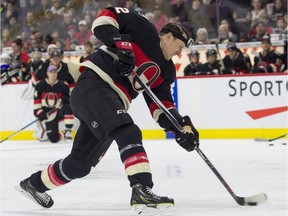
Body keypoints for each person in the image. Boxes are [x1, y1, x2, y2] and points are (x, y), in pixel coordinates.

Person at [16, 6, 199, 215]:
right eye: (179, 45)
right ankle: (141, 188)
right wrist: (119, 42)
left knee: (80, 164)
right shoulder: (144, 29)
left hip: (108, 103)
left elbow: (161, 107)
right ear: (167, 36)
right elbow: (104, 18)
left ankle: (33, 185)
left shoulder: (166, 71)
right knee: (128, 131)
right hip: (93, 85)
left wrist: (181, 126)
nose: (179, 52)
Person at [33, 64, 74, 143]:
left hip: (58, 112)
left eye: (55, 72)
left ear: (57, 73)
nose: (53, 74)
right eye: (51, 72)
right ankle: (49, 132)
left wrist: (65, 100)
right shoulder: (39, 85)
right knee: (54, 139)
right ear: (47, 73)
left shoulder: (63, 85)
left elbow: (69, 101)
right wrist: (41, 114)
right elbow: (36, 104)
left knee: (68, 107)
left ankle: (68, 131)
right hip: (47, 114)